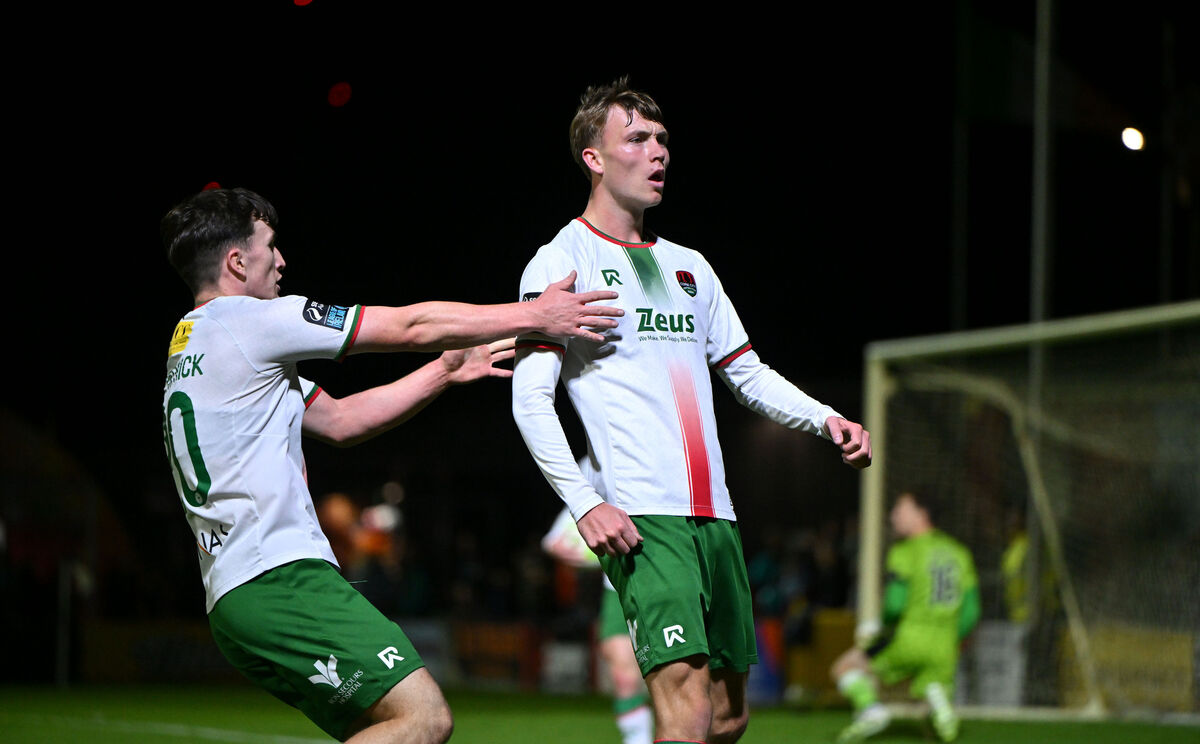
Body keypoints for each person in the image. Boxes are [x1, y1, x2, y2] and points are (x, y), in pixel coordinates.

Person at [160, 186, 624, 744]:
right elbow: (410, 326)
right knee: (424, 719)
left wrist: (446, 371)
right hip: (280, 577)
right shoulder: (249, 322)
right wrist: (535, 314)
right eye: (270, 246)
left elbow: (340, 421)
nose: (282, 261)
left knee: (391, 729)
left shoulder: (195, 347)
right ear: (237, 262)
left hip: (234, 596)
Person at [511, 78, 871, 744]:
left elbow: (746, 373)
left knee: (729, 717)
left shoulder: (690, 268)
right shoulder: (563, 260)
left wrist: (826, 418)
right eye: (638, 140)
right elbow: (530, 397)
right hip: (645, 519)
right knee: (687, 716)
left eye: (663, 140)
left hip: (717, 519)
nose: (659, 153)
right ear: (593, 156)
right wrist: (586, 504)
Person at [829, 490, 980, 743]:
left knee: (844, 667)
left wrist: (878, 631)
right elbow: (972, 610)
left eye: (901, 508)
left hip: (908, 636)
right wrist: (953, 639)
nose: (893, 515)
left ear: (922, 514)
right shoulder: (959, 553)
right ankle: (938, 702)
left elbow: (895, 606)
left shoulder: (905, 551)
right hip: (945, 644)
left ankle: (871, 712)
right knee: (929, 685)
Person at [542, 505, 654, 744]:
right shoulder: (598, 472)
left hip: (670, 586)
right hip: (618, 590)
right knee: (624, 677)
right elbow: (553, 542)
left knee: (678, 683)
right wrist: (591, 555)